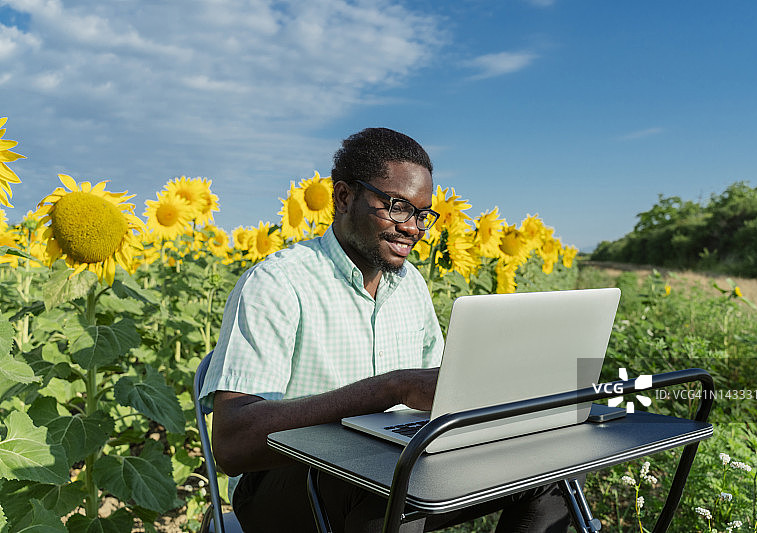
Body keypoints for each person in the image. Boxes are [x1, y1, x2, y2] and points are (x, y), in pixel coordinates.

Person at [199, 128, 571, 532]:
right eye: (397, 207)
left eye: (422, 214)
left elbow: (434, 398)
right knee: (387, 485)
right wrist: (390, 389)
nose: (413, 228)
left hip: (394, 463)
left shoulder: (411, 285)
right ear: (344, 198)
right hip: (284, 485)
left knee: (554, 469)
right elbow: (233, 444)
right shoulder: (278, 283)